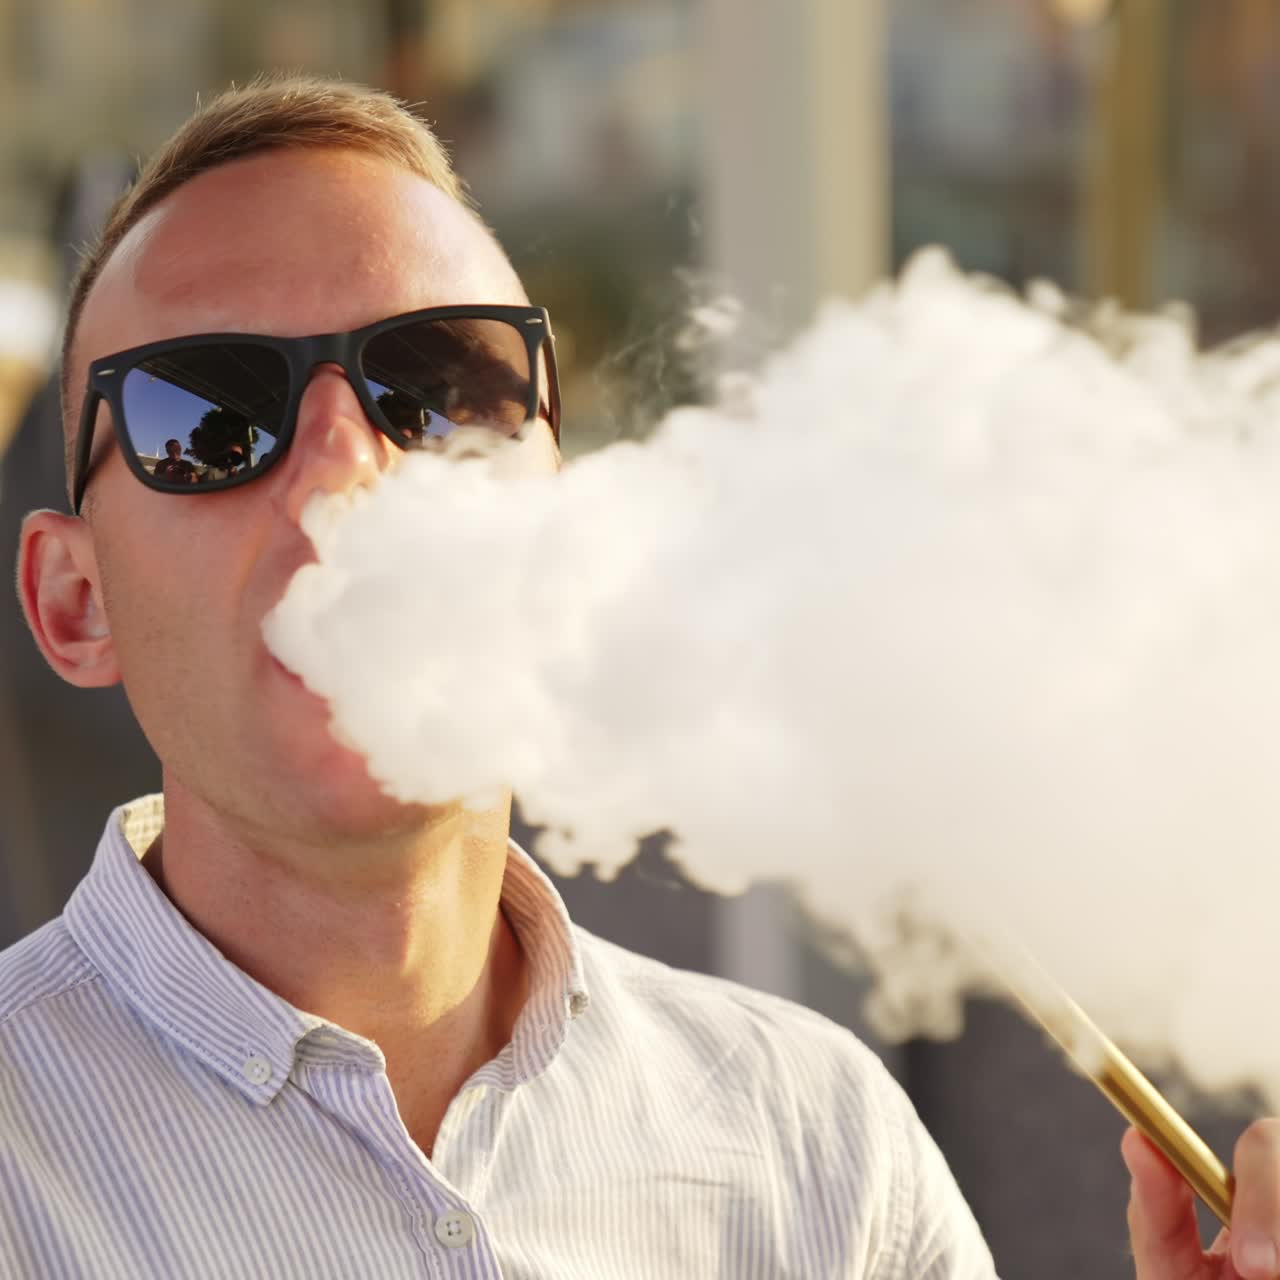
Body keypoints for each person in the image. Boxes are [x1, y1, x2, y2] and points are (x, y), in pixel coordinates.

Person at [6, 75, 1279, 1280]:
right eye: (208, 415)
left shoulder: (818, 1140)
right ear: (76, 601)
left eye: (439, 389)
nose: (343, 473)